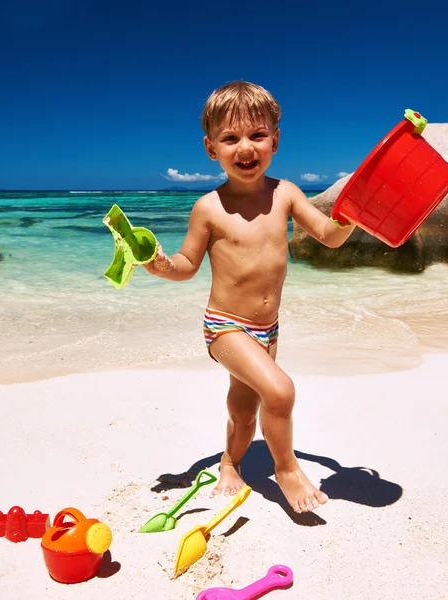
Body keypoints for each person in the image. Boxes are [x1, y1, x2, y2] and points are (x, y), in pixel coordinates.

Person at [143, 81, 356, 513]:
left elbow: (330, 237)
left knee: (244, 411)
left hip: (268, 328)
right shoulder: (208, 208)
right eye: (230, 138)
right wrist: (162, 266)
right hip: (224, 327)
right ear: (211, 148)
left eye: (258, 135)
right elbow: (187, 264)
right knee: (280, 392)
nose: (246, 147)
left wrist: (352, 214)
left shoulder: (287, 194)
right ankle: (286, 469)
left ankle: (230, 463)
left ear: (274, 140)